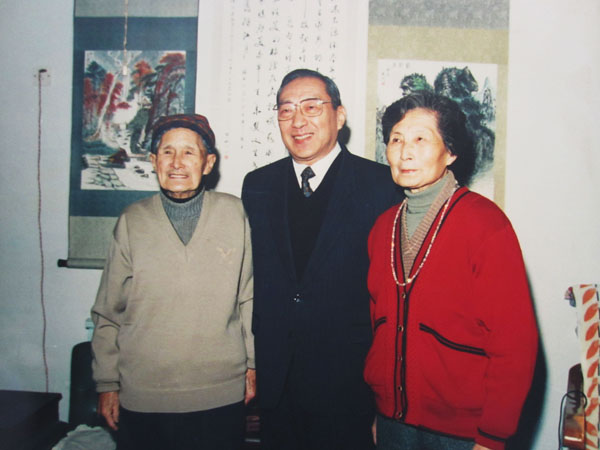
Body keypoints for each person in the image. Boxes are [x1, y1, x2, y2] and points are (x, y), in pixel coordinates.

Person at [364, 91, 538, 450]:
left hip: (463, 432)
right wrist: (379, 412)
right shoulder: (382, 227)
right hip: (393, 420)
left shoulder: (486, 225)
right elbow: (378, 326)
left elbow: (515, 344)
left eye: (420, 139)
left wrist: (493, 436)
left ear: (451, 152)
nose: (405, 152)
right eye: (396, 140)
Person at [241, 69, 401, 450]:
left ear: (339, 116)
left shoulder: (382, 185)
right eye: (286, 110)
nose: (298, 121)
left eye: (312, 107)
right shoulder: (257, 185)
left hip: (350, 385)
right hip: (277, 383)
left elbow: (393, 297)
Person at [91, 114, 255, 450]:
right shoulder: (132, 221)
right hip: (144, 396)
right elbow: (108, 312)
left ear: (208, 163)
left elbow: (249, 298)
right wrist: (107, 383)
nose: (177, 163)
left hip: (220, 393)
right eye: (167, 152)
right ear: (154, 161)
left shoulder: (235, 215)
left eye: (189, 152)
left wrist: (253, 364)